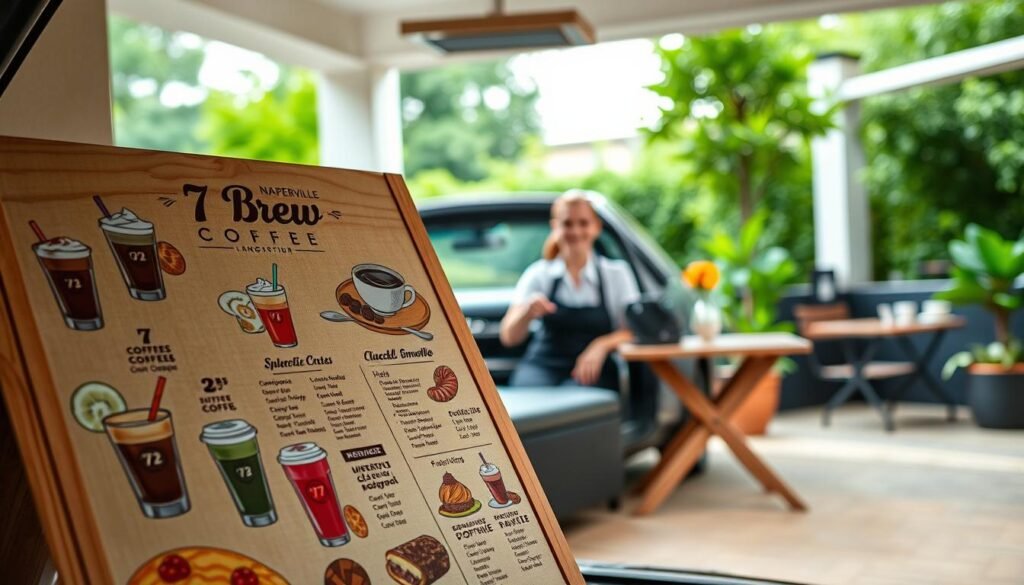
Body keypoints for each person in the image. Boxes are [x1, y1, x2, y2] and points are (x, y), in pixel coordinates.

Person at [500, 190, 640, 390]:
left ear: (596, 228)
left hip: (592, 369)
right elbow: (509, 337)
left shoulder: (616, 273)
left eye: (583, 223)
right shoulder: (539, 274)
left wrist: (600, 346)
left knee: (576, 403)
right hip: (543, 366)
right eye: (567, 224)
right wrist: (527, 312)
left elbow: (632, 331)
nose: (575, 231)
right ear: (555, 226)